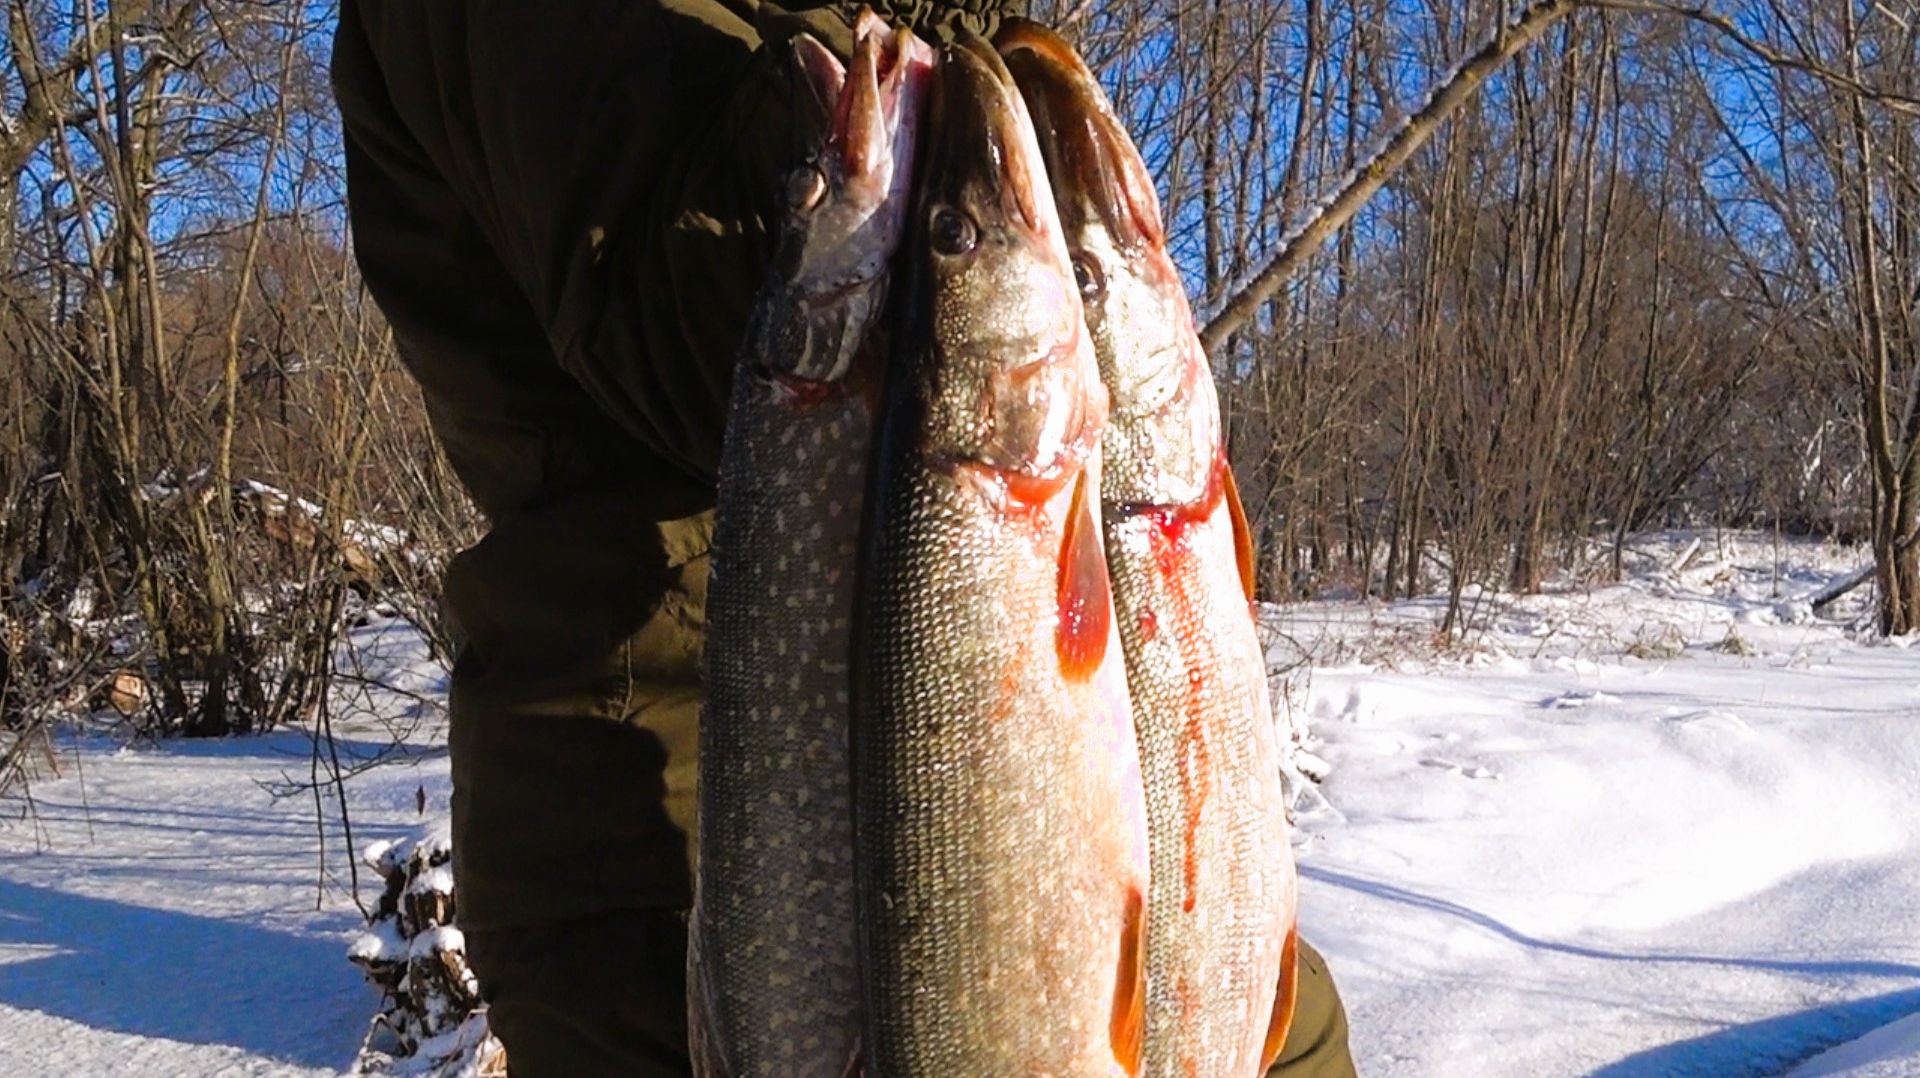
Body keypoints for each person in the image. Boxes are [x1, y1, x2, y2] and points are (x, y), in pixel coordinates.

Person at [330, 2, 1357, 1074]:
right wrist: (877, 133)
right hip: (699, 823)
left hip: (1036, 798)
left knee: (1289, 1036)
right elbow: (692, 326)